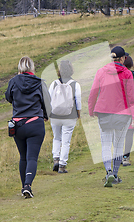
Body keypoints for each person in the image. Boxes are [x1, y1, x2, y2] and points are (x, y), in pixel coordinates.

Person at [88, 46, 134, 187]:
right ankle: (115, 174)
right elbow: (131, 97)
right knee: (118, 144)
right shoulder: (127, 73)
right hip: (122, 114)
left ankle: (108, 171)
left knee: (105, 143)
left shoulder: (101, 72)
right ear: (123, 59)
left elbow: (93, 93)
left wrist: (91, 110)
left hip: (103, 112)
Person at [5, 56, 51, 198]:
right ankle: (27, 185)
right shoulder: (39, 83)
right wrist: (45, 115)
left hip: (17, 125)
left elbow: (8, 97)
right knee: (32, 158)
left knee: (23, 157)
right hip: (35, 123)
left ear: (19, 67)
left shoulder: (13, 82)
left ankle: (23, 186)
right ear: (32, 67)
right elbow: (47, 103)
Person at [49, 60, 82, 174]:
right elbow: (78, 101)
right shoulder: (75, 84)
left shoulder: (54, 84)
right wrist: (78, 114)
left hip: (55, 115)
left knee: (56, 137)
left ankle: (56, 159)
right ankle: (62, 165)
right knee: (66, 141)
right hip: (70, 115)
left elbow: (48, 100)